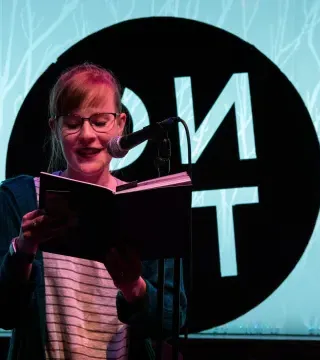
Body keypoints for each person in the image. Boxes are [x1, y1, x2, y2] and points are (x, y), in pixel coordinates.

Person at [0, 63, 187, 360]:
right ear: (55, 128)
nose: (87, 135)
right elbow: (5, 314)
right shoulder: (20, 198)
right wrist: (23, 250)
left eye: (100, 121)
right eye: (73, 123)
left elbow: (173, 318)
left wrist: (134, 288)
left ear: (120, 124)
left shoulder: (141, 204)